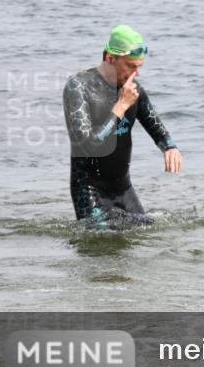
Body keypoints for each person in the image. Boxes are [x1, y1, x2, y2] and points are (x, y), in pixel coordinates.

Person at [63, 25, 182, 229]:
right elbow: (88, 144)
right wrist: (121, 106)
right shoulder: (79, 87)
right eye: (131, 66)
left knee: (149, 234)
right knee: (101, 249)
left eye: (139, 67)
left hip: (123, 190)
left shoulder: (134, 91)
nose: (136, 74)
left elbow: (157, 129)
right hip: (90, 192)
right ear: (110, 58)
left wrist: (170, 147)